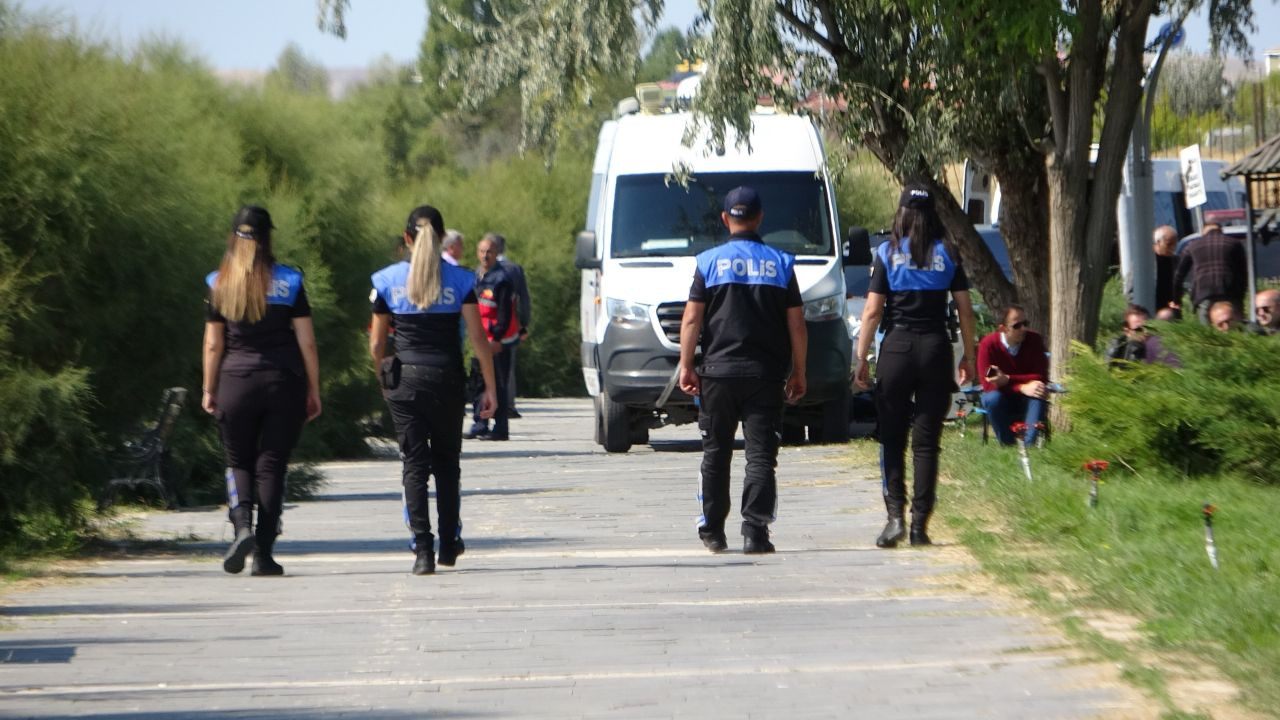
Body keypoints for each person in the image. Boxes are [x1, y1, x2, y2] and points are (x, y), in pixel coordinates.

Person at [678, 186, 807, 554]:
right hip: (765, 375)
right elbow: (797, 323)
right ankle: (755, 532)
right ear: (760, 217)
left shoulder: (707, 262)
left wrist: (687, 365)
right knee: (761, 455)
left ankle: (713, 531)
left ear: (725, 219)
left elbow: (692, 319)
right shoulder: (781, 263)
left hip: (717, 373)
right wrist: (799, 370)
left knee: (716, 453)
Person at [370, 206, 497, 575]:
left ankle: (422, 548)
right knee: (446, 463)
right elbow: (478, 338)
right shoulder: (460, 280)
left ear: (407, 239)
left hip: (405, 379)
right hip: (447, 378)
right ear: (441, 238)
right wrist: (489, 388)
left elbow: (377, 343)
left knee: (413, 464)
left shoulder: (386, 281)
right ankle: (450, 541)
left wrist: (383, 377)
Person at [854, 184, 976, 549]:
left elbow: (873, 311)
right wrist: (968, 355)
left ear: (902, 213)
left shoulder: (888, 252)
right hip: (936, 348)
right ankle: (921, 524)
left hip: (898, 347)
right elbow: (965, 311)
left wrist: (860, 359)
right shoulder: (949, 253)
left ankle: (894, 518)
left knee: (892, 437)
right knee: (927, 443)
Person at [202, 205, 322, 577]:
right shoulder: (290, 281)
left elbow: (212, 344)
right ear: (269, 236)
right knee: (271, 465)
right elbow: (307, 342)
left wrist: (209, 388)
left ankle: (241, 528)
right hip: (282, 382)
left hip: (235, 381)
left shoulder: (217, 282)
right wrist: (314, 388)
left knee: (238, 462)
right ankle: (264, 555)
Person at [465, 235, 518, 441]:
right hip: (479, 340)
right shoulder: (476, 277)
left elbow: (505, 313)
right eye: (482, 251)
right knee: (478, 382)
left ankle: (501, 427)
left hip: (496, 342)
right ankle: (480, 423)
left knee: (498, 384)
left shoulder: (502, 279)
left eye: (489, 252)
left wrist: (497, 339)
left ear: (496, 254)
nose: (485, 256)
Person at [976, 305, 1048, 447]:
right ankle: (1007, 445)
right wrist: (1020, 387)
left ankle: (1029, 448)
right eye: (1017, 326)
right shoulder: (988, 345)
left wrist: (1007, 379)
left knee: (1038, 391)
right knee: (992, 398)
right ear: (1003, 328)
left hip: (1027, 396)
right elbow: (988, 384)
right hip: (1001, 396)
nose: (1023, 329)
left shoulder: (1034, 340)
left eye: (1025, 324)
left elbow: (1040, 376)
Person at [485, 232, 531, 419]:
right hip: (510, 326)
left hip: (485, 327)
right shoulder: (514, 269)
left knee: (485, 367)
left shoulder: (482, 268)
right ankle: (508, 405)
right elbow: (523, 299)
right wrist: (524, 324)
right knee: (507, 367)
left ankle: (488, 405)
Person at [1169, 223, 1247, 324]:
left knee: (1206, 334)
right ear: (1220, 230)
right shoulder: (1234, 243)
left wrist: (1176, 300)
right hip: (1229, 292)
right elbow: (1243, 273)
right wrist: (1241, 298)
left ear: (1203, 232)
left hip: (1203, 295)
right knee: (1234, 329)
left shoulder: (1192, 246)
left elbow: (1178, 276)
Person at [1106, 304, 1179, 366]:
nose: (1145, 333)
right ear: (1127, 331)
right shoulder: (1118, 349)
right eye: (1139, 329)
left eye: (1148, 328)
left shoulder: (1159, 347)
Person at [1153, 225, 1179, 310]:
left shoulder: (1176, 261)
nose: (1173, 248)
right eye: (1169, 244)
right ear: (1158, 242)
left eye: (1175, 244)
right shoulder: (1147, 262)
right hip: (1152, 308)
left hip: (1171, 309)